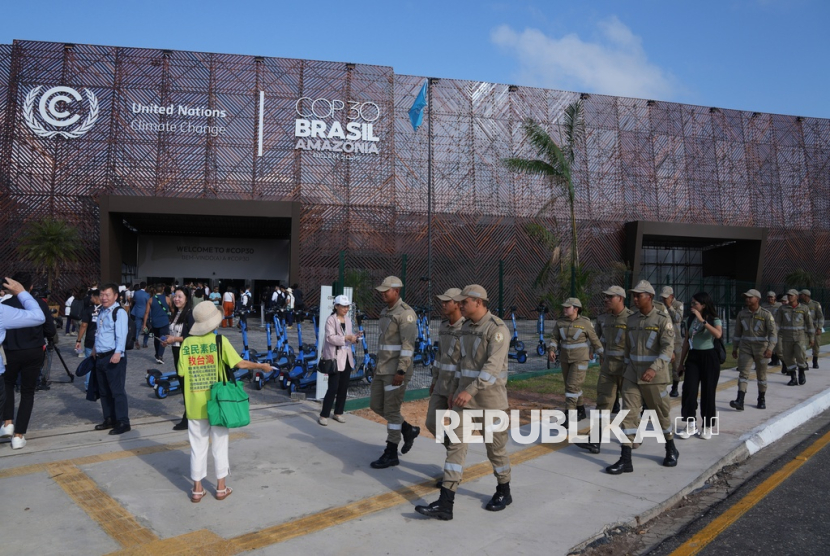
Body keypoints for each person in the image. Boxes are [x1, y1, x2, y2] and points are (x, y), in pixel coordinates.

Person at [416, 284, 512, 520]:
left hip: (491, 402)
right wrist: (455, 390)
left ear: (478, 302)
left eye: (464, 302)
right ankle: (445, 504)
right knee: (456, 447)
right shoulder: (467, 327)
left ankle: (504, 489)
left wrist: (469, 390)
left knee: (496, 450)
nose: (460, 305)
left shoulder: (497, 330)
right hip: (464, 400)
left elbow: (492, 368)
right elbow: (462, 363)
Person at [177, 301, 271, 502]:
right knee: (219, 445)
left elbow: (181, 372)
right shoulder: (220, 341)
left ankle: (197, 490)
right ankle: (220, 488)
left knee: (197, 447)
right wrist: (261, 366)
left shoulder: (186, 344)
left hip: (194, 403)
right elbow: (241, 364)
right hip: (219, 403)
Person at [606, 280, 678, 475]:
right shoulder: (631, 320)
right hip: (632, 375)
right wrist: (627, 366)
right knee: (628, 415)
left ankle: (670, 448)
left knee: (660, 415)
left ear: (650, 297)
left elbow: (667, 348)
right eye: (634, 296)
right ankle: (625, 458)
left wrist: (654, 369)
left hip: (654, 377)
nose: (635, 299)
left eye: (639, 295)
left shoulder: (662, 319)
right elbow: (628, 348)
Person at [368, 276, 419, 469]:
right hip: (382, 368)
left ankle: (391, 452)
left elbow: (408, 346)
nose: (382, 293)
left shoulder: (406, 314)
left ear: (396, 291)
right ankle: (408, 429)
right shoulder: (385, 312)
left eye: (386, 290)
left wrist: (401, 371)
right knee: (375, 405)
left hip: (395, 370)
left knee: (391, 411)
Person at [2, 273, 56, 450]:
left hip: (11, 352)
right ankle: (19, 435)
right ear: (30, 287)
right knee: (27, 392)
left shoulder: (4, 305)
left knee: (8, 385)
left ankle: (7, 422)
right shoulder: (39, 304)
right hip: (33, 352)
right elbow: (49, 328)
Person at [578, 286, 633, 454]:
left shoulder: (632, 319)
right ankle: (595, 441)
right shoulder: (604, 318)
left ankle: (630, 442)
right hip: (608, 368)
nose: (606, 300)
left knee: (629, 406)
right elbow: (599, 338)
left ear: (620, 299)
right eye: (605, 297)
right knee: (603, 403)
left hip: (626, 370)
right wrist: (595, 350)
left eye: (610, 297)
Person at [423, 288, 464, 477]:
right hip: (441, 385)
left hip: (456, 389)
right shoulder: (444, 327)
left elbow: (465, 362)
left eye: (447, 301)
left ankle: (453, 470)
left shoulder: (466, 329)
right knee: (432, 422)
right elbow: (439, 356)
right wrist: (434, 379)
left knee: (457, 431)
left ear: (457, 303)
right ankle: (453, 452)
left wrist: (455, 390)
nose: (443, 304)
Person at [548, 297, 603, 429]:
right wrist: (551, 349)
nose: (564, 309)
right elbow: (554, 337)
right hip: (565, 359)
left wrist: (602, 355)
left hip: (580, 359)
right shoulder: (560, 323)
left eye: (567, 307)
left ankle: (569, 417)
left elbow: (595, 340)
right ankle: (581, 410)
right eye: (564, 307)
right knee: (571, 386)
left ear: (576, 309)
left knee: (572, 387)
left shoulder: (585, 323)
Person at [677, 292, 722, 440]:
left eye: (695, 303)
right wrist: (681, 363)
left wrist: (702, 320)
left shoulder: (714, 319)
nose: (692, 306)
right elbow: (686, 342)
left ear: (703, 305)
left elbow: (717, 335)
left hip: (709, 357)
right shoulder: (689, 320)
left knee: (708, 392)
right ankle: (690, 424)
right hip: (693, 356)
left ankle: (707, 425)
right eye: (691, 303)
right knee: (689, 390)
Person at [92, 283, 131, 435]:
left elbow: (122, 334)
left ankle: (123, 421)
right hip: (100, 356)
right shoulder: (102, 311)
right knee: (104, 391)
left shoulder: (119, 312)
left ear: (116, 296)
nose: (104, 298)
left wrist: (118, 353)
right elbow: (99, 331)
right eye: (102, 295)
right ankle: (109, 418)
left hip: (113, 356)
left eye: (107, 295)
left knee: (117, 391)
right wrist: (95, 349)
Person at [730, 289, 777, 411]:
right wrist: (735, 348)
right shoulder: (742, 314)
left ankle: (761, 399)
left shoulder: (766, 314)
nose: (747, 299)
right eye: (746, 297)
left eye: (750, 297)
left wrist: (770, 349)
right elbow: (737, 332)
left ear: (757, 299)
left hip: (761, 349)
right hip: (745, 347)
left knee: (761, 375)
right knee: (743, 374)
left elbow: (773, 333)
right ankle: (740, 400)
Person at [318, 295, 361, 425]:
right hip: (335, 358)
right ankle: (324, 415)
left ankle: (338, 412)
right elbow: (330, 338)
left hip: (347, 357)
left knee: (343, 387)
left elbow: (348, 337)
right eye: (343, 306)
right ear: (336, 306)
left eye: (347, 306)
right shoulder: (331, 320)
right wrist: (347, 338)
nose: (346, 309)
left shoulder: (348, 320)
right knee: (333, 387)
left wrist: (355, 338)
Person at [162, 287, 195, 431]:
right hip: (176, 351)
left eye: (180, 296)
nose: (176, 299)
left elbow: (193, 337)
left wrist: (174, 338)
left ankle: (188, 418)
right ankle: (189, 415)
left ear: (187, 298)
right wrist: (167, 339)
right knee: (183, 385)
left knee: (187, 385)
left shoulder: (190, 314)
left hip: (186, 354)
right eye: (175, 296)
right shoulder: (176, 313)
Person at [776, 289, 814, 386]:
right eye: (788, 295)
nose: (789, 297)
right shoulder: (782, 309)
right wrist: (774, 334)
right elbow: (777, 323)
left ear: (797, 297)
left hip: (799, 337)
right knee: (788, 358)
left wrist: (811, 337)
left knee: (800, 356)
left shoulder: (804, 308)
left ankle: (801, 373)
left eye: (791, 295)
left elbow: (809, 324)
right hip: (786, 337)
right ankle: (793, 377)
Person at [658, 287, 684, 397]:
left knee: (676, 365)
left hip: (676, 340)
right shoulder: (660, 306)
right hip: (664, 339)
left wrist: (669, 306)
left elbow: (678, 318)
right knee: (662, 364)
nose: (664, 299)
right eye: (663, 297)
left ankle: (675, 386)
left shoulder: (678, 305)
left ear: (671, 296)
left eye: (666, 297)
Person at [74, 289, 102, 391]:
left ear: (96, 298)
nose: (90, 299)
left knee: (89, 363)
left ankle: (88, 386)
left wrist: (78, 340)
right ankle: (100, 386)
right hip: (103, 341)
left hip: (90, 339)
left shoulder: (89, 310)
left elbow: (84, 325)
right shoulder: (107, 309)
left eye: (91, 297)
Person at [142, 285, 172, 364]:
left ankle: (157, 354)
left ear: (155, 291)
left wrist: (144, 324)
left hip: (155, 322)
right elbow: (172, 310)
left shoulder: (150, 300)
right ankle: (160, 355)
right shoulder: (167, 299)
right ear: (163, 289)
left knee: (156, 338)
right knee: (163, 338)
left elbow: (146, 312)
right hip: (164, 321)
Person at [799, 289, 824, 369]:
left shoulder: (815, 304)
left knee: (816, 345)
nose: (800, 296)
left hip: (814, 328)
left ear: (806, 295)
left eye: (801, 294)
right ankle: (804, 362)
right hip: (805, 328)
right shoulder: (801, 305)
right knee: (803, 346)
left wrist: (819, 328)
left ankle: (815, 361)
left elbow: (820, 317)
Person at [762, 291, 782, 366]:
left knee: (775, 344)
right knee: (768, 343)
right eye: (768, 297)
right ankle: (772, 360)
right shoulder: (764, 305)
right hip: (766, 326)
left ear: (775, 297)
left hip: (776, 326)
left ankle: (777, 360)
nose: (770, 298)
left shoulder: (779, 305)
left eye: (771, 297)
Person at [130, 282, 150, 349]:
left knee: (137, 328)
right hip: (145, 313)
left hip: (137, 312)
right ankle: (145, 343)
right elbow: (148, 304)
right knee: (146, 328)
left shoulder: (136, 293)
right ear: (145, 287)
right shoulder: (147, 295)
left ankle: (136, 339)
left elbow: (134, 300)